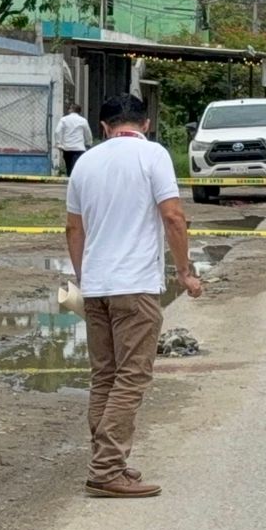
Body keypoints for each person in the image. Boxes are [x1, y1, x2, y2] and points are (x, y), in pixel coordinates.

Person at [66, 94, 203, 499]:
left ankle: (108, 462)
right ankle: (107, 468)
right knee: (132, 376)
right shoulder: (153, 155)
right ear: (145, 123)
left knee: (105, 376)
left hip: (96, 286)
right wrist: (185, 270)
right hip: (135, 286)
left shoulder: (85, 163)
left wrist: (85, 276)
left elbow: (74, 230)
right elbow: (174, 215)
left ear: (104, 126)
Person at [55, 104, 93, 175]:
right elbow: (88, 133)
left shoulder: (64, 119)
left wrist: (58, 143)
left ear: (71, 110)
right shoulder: (83, 120)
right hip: (79, 148)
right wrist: (88, 143)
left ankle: (69, 181)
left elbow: (57, 131)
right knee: (77, 167)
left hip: (67, 148)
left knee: (69, 167)